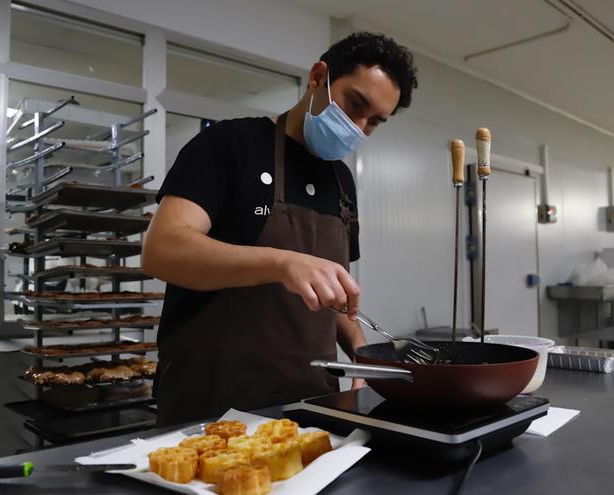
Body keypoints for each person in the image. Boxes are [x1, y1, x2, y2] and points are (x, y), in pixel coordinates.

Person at [142, 32, 418, 425]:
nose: (358, 127)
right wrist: (282, 263)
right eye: (356, 104)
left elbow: (334, 295)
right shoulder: (228, 145)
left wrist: (359, 348)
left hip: (309, 405)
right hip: (210, 404)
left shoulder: (341, 181)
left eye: (373, 122)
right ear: (319, 76)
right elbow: (162, 250)